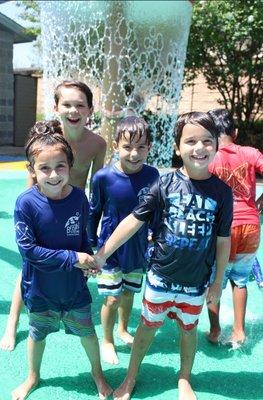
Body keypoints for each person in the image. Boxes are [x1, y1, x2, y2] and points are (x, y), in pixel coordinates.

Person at [91, 112, 233, 400]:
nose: (199, 147)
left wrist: (217, 281)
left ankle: (184, 378)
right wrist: (102, 254)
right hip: (160, 277)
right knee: (146, 326)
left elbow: (222, 240)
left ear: (216, 145)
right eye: (190, 141)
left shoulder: (222, 192)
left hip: (196, 281)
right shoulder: (164, 184)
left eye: (207, 141)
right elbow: (133, 220)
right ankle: (131, 377)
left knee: (188, 330)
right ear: (177, 147)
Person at [0, 80, 107, 352]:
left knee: (72, 268)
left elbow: (97, 186)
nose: (73, 110)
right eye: (67, 104)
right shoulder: (46, 140)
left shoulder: (97, 143)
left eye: (80, 105)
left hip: (73, 210)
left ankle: (71, 311)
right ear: (56, 107)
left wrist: (91, 228)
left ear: (90, 109)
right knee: (31, 266)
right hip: (42, 210)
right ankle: (12, 321)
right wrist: (29, 215)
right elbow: (32, 182)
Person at [11, 121, 112, 400]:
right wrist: (73, 257)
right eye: (44, 168)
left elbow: (82, 238)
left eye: (60, 166)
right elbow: (28, 250)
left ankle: (97, 373)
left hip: (73, 289)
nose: (54, 175)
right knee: (37, 334)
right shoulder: (25, 203)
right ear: (32, 170)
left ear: (71, 166)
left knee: (88, 334)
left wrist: (88, 260)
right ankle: (33, 375)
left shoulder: (79, 198)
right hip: (40, 289)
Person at [88, 116, 159, 365]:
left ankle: (122, 329)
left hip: (138, 247)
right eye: (127, 147)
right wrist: (90, 245)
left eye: (141, 147)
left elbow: (156, 211)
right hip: (109, 247)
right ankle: (107, 340)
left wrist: (156, 235)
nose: (134, 153)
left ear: (149, 147)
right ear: (116, 145)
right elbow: (93, 211)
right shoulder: (103, 178)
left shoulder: (153, 175)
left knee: (129, 293)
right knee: (112, 296)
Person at [206, 108, 263, 346]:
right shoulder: (250, 153)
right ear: (235, 132)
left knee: (215, 279)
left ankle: (215, 330)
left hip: (223, 229)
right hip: (251, 224)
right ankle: (239, 331)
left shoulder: (209, 157)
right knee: (240, 280)